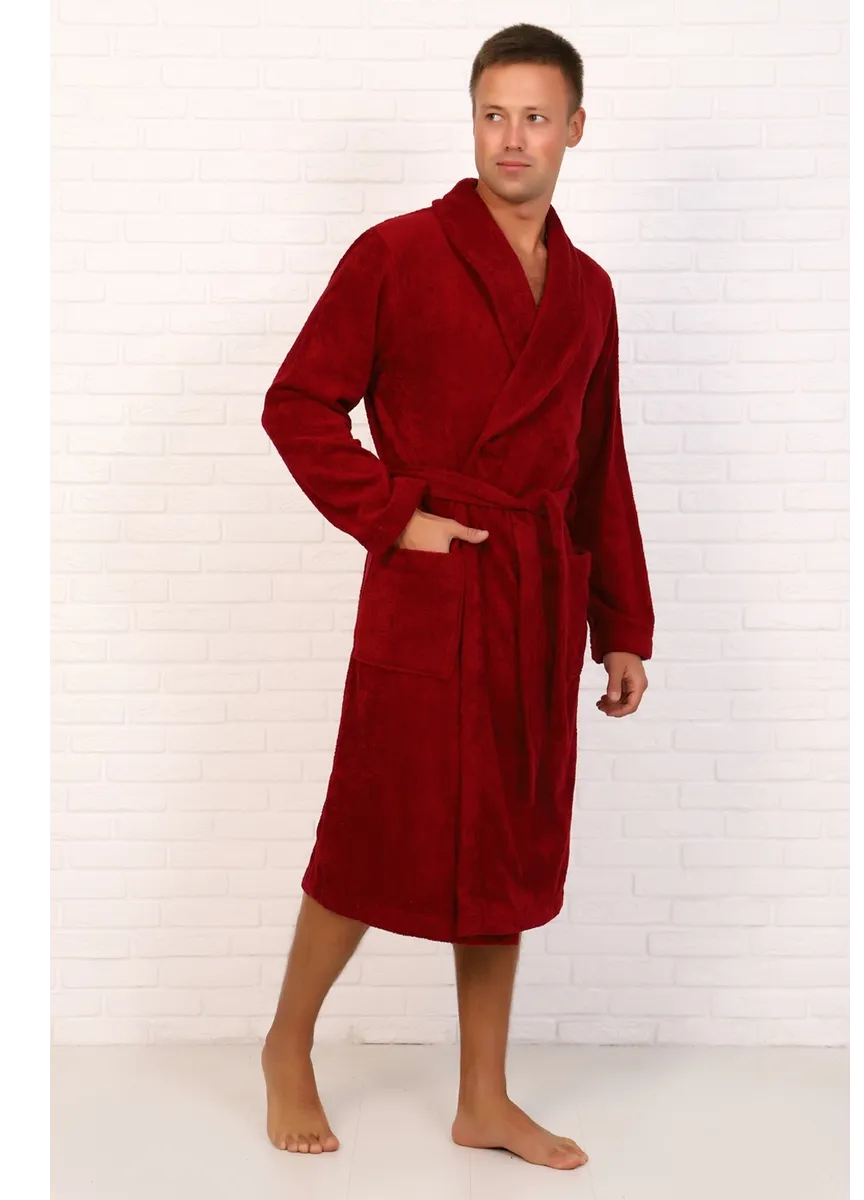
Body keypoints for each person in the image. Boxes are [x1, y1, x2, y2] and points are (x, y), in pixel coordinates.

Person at [258, 22, 654, 1171]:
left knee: (506, 850)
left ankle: (484, 1096)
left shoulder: (588, 292)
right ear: (471, 122)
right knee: (372, 830)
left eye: (536, 116)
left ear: (574, 129)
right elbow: (298, 404)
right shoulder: (396, 254)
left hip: (534, 597)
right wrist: (397, 516)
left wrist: (620, 625)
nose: (512, 138)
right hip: (429, 591)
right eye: (493, 115)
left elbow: (598, 465)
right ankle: (287, 1041)